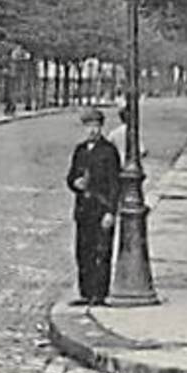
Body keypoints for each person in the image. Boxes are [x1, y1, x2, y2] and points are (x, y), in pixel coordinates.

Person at [66, 107, 122, 305]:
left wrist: (111, 211)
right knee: (83, 250)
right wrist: (75, 183)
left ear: (101, 127)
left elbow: (115, 183)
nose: (92, 131)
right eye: (89, 126)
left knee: (101, 251)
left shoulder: (108, 151)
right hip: (83, 210)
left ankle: (99, 293)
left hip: (101, 207)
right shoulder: (80, 150)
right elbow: (71, 176)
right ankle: (86, 292)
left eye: (96, 126)